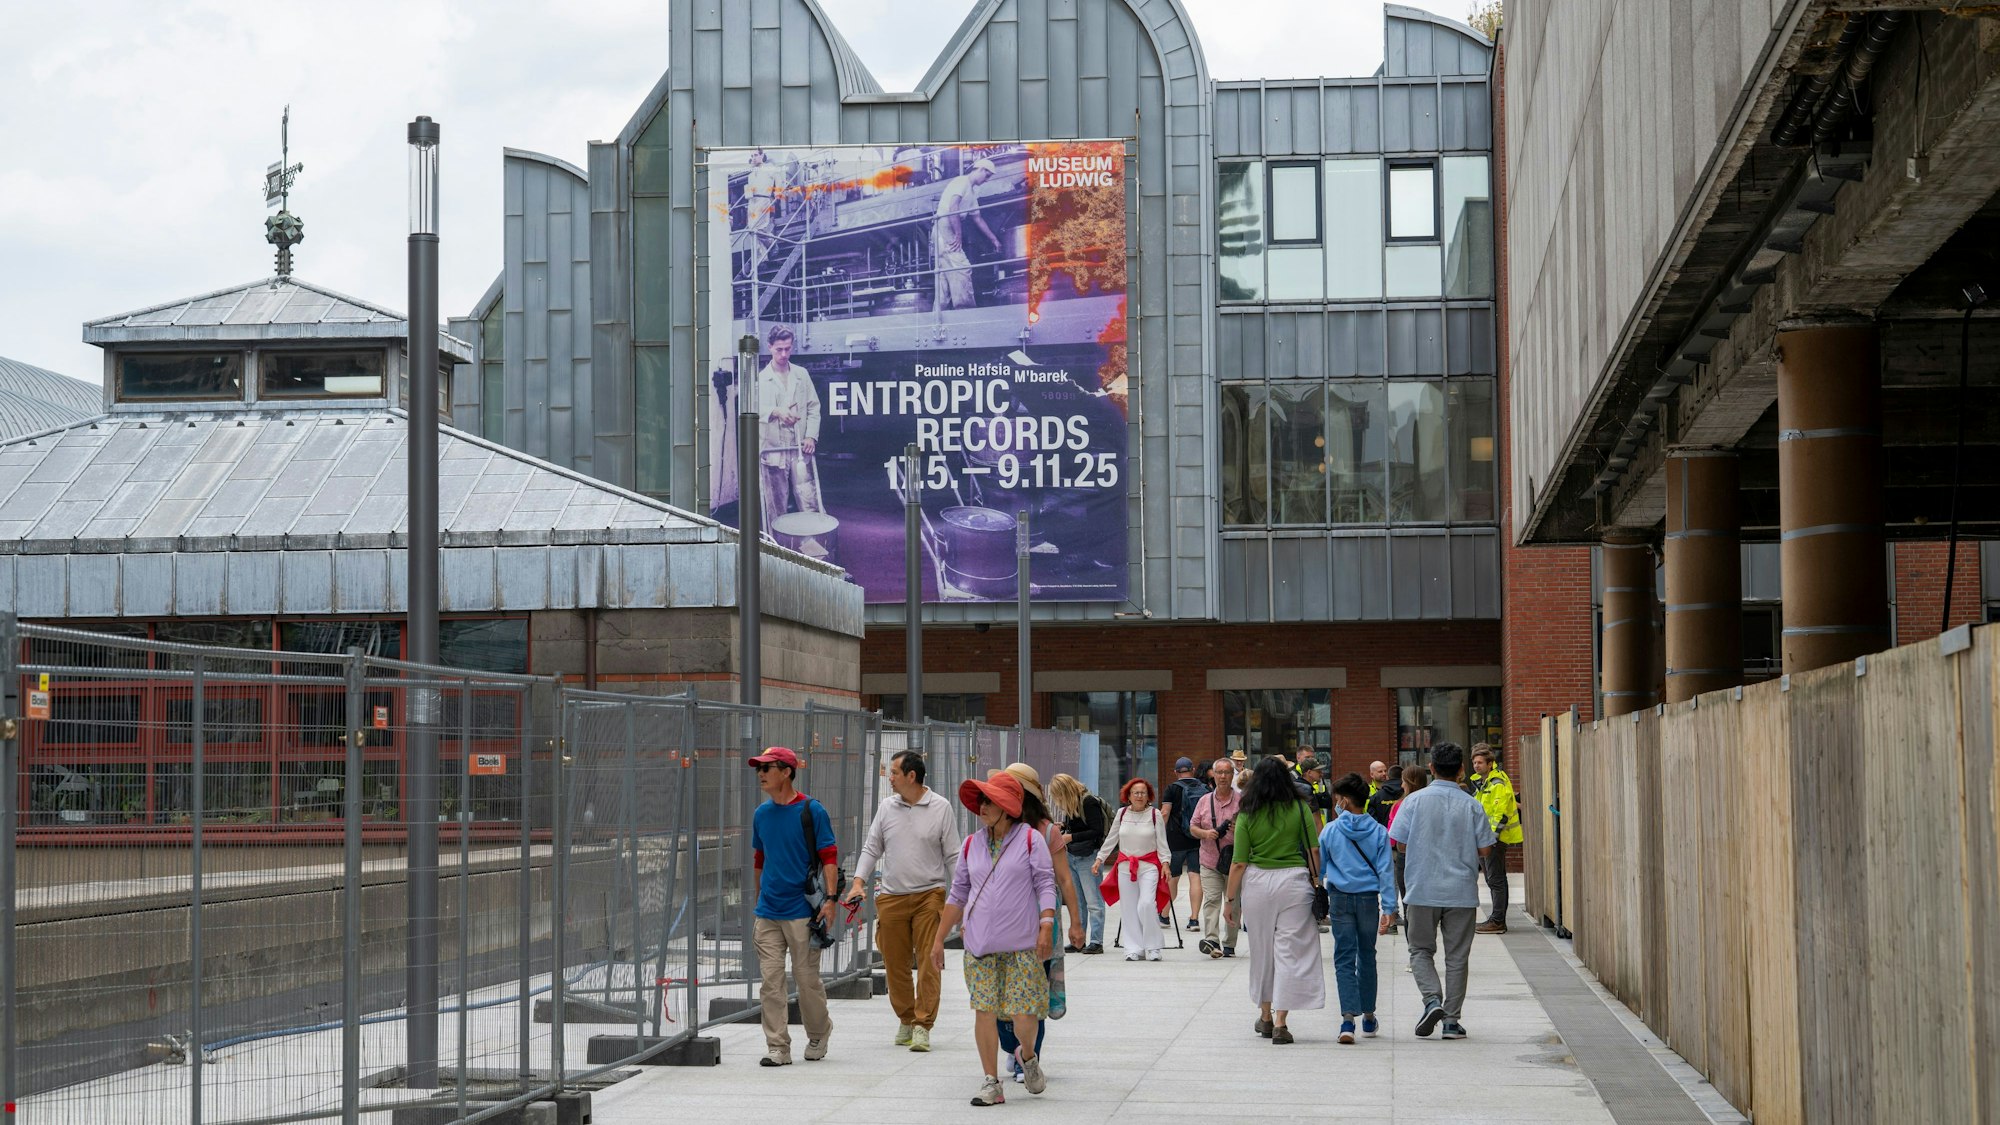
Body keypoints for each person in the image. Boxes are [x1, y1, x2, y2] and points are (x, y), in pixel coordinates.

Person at [933, 771, 1057, 1106]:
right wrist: (938, 939)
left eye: (989, 801)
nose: (982, 807)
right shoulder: (972, 844)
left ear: (1007, 806)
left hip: (1021, 945)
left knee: (1023, 1016)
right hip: (980, 945)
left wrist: (1046, 924)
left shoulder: (1031, 839)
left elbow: (1046, 884)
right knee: (984, 1011)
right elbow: (958, 893)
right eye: (981, 801)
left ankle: (1027, 1057)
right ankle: (991, 1082)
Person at [844, 749, 959, 1053]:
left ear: (911, 775)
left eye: (894, 772)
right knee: (895, 963)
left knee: (928, 961)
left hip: (929, 896)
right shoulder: (887, 808)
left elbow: (953, 856)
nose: (890, 778)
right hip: (892, 896)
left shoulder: (941, 807)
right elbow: (872, 848)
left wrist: (963, 898)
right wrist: (858, 882)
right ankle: (906, 1019)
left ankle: (923, 1025)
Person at [1388, 742, 1495, 1041]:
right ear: (1461, 769)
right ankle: (1451, 1021)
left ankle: (1432, 999)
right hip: (1461, 891)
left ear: (1431, 768)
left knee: (1420, 950)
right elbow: (1486, 848)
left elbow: (1399, 843)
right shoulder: (1472, 803)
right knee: (1457, 957)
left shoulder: (1413, 802)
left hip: (1421, 888)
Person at [1222, 756, 1325, 1044]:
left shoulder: (1247, 812)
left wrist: (1230, 900)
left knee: (1262, 950)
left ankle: (1265, 1016)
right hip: (1294, 880)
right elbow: (1313, 849)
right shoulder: (1299, 806)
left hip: (1257, 882)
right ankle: (1281, 1021)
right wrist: (1317, 880)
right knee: (1291, 952)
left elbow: (1239, 862)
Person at [995, 763, 1086, 1084]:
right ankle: (1015, 1046)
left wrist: (1076, 922)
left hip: (1041, 926)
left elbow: (1065, 880)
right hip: (1002, 925)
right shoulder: (995, 826)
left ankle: (1028, 1058)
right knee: (1000, 996)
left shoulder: (1048, 831)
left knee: (1033, 996)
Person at [746, 746, 838, 1066]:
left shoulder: (812, 811)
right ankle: (778, 1046)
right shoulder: (761, 814)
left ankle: (818, 1032)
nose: (761, 773)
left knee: (806, 979)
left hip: (803, 911)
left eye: (767, 768)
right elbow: (760, 858)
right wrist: (759, 898)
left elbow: (829, 857)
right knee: (771, 982)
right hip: (768, 912)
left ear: (786, 772)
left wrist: (830, 900)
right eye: (759, 768)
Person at [1319, 772, 1398, 1045]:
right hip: (1368, 899)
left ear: (1344, 800)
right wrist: (1389, 908)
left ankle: (1347, 1020)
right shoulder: (1378, 831)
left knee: (1343, 957)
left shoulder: (1330, 830)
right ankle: (1369, 1015)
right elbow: (1386, 871)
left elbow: (1321, 867)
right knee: (1367, 955)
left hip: (1340, 898)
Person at [1091, 778, 1169, 961]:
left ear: (1148, 795)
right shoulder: (1122, 813)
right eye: (1136, 793)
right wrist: (1099, 859)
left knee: (1147, 904)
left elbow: (1162, 842)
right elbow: (1111, 838)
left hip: (1149, 866)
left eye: (1143, 792)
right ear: (1129, 796)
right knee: (1128, 909)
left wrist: (1165, 863)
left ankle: (1154, 946)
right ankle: (1134, 948)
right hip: (1125, 867)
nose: (1139, 796)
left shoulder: (1154, 814)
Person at [755, 326, 822, 536]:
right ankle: (779, 552)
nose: (784, 354)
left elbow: (813, 407)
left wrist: (811, 435)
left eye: (787, 349)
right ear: (769, 348)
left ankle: (814, 548)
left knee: (809, 501)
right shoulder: (761, 380)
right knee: (776, 506)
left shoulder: (802, 374)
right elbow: (751, 410)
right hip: (772, 452)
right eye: (779, 350)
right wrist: (775, 411)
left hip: (799, 450)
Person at [1049, 773, 1109, 954]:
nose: (1057, 800)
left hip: (1088, 856)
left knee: (1093, 901)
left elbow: (1096, 830)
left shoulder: (1088, 802)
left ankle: (1096, 941)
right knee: (1078, 901)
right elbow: (1079, 827)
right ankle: (1079, 940)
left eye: (1058, 795)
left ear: (1064, 791)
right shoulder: (1072, 804)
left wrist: (1071, 836)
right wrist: (1064, 828)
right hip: (1072, 855)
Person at [1189, 756, 1241, 958]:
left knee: (1233, 903)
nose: (1222, 776)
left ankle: (1230, 943)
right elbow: (1192, 826)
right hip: (1209, 859)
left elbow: (1252, 830)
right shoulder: (1204, 800)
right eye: (1219, 772)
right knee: (1211, 900)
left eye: (1227, 772)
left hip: (1233, 861)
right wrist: (1204, 833)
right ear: (1213, 775)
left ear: (1232, 776)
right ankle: (1212, 940)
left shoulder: (1241, 802)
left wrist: (1240, 831)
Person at [933, 156, 1000, 310]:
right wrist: (958, 234)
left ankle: (938, 314)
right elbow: (953, 207)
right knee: (962, 268)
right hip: (945, 224)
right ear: (981, 170)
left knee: (944, 274)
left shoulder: (971, 191)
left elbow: (978, 219)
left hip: (944, 225)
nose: (987, 180)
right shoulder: (961, 182)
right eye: (987, 175)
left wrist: (994, 239)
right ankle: (965, 309)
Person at [1469, 746, 1524, 934]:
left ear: (1490, 764)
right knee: (1494, 880)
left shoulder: (1497, 783)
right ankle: (1496, 919)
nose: (1476, 766)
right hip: (1485, 839)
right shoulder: (1482, 783)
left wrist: (1489, 841)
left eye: (1480, 762)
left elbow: (1499, 815)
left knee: (1496, 880)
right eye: (1474, 762)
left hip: (1493, 840)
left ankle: (1498, 921)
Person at [1160, 757, 1208, 930]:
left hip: (1175, 839)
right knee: (1195, 877)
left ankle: (1164, 915)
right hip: (1198, 838)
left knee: (1172, 877)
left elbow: (1165, 813)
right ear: (1193, 770)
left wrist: (1159, 836)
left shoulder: (1172, 788)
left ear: (1176, 772)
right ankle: (1194, 919)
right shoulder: (1204, 788)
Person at [1388, 765, 1429, 929]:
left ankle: (1412, 931)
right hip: (1427, 856)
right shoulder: (1430, 801)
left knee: (1407, 899)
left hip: (1406, 855)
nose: (1401, 785)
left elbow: (1396, 837)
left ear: (1410, 782)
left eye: (1403, 781)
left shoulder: (1402, 804)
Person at [1365, 760, 1402, 827]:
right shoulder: (1366, 790)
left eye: (1385, 771)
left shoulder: (1395, 789)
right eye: (1380, 771)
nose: (1384, 773)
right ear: (1372, 774)